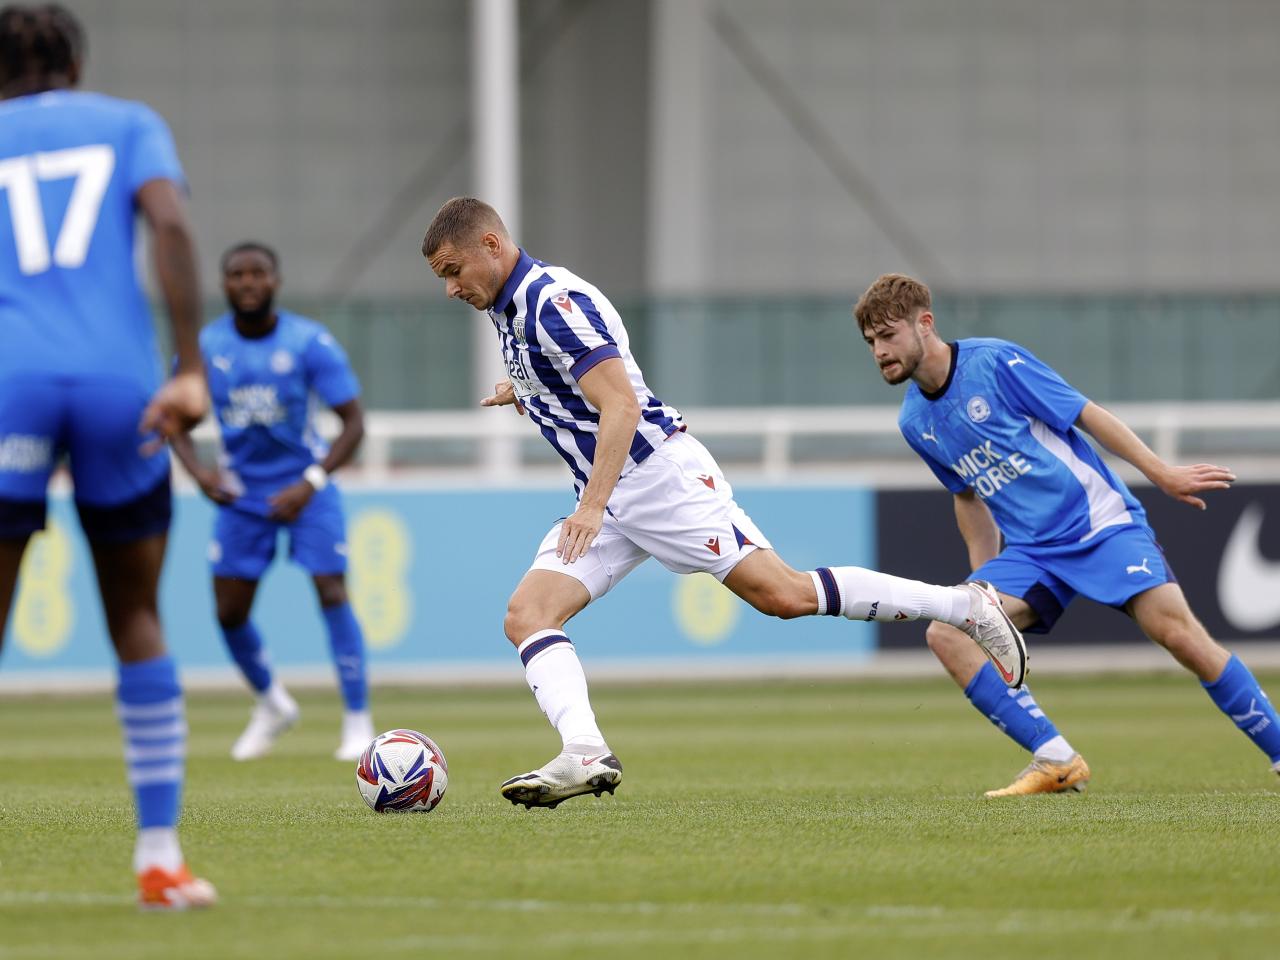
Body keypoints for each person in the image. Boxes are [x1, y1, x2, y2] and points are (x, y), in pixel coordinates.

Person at [420, 197, 1028, 809]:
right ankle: (584, 750)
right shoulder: (510, 308)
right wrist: (524, 389)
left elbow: (623, 406)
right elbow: (575, 381)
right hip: (610, 493)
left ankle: (963, 606)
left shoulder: (553, 304)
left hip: (658, 480)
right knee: (527, 613)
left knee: (783, 595)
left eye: (453, 271)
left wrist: (591, 507)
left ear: (492, 246)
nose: (449, 289)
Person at [856, 272, 1280, 795]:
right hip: (1034, 554)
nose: (879, 350)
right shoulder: (914, 420)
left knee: (1181, 637)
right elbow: (967, 497)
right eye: (871, 341)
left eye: (888, 335)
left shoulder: (994, 363)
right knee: (947, 630)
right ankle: (1055, 759)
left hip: (1099, 526)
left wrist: (1161, 472)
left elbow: (1088, 414)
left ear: (925, 323)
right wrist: (979, 587)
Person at [0, 4, 214, 907]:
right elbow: (168, 227)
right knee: (136, 613)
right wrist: (191, 366)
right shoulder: (129, 122)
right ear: (76, 62)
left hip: (10, 378)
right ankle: (159, 859)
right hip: (120, 384)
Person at [169, 242, 373, 762]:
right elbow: (175, 420)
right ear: (226, 285)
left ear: (275, 281)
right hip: (241, 496)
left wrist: (310, 482)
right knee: (229, 611)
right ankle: (272, 703)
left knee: (331, 590)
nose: (248, 282)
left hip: (305, 488)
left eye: (258, 273)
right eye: (237, 274)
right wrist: (198, 474)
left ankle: (357, 720)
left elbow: (354, 424)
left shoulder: (308, 342)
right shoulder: (204, 348)